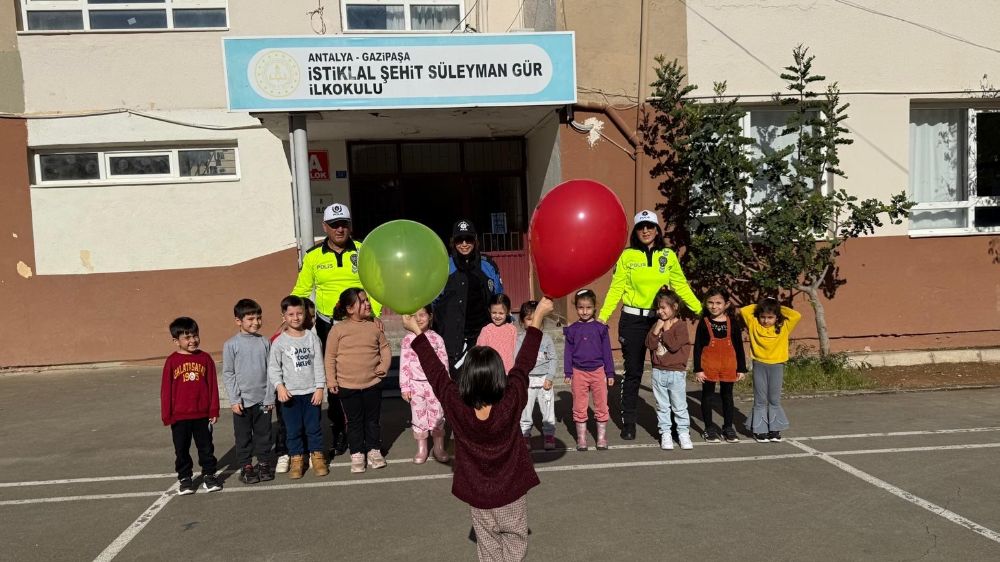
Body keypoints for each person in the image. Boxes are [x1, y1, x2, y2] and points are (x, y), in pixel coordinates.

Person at [402, 297, 554, 561]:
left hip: (478, 495)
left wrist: (417, 333)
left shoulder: (456, 406)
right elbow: (524, 363)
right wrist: (538, 317)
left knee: (487, 546)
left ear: (466, 378)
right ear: (499, 377)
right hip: (512, 491)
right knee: (515, 542)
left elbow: (437, 374)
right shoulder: (511, 401)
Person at [599, 209, 703, 441]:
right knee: (634, 371)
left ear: (657, 230)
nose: (645, 230)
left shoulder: (667, 255)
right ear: (635, 231)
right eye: (641, 227)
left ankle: (671, 423)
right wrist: (603, 316)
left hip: (660, 320)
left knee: (665, 370)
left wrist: (699, 309)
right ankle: (629, 421)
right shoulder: (626, 256)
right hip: (632, 321)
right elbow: (616, 288)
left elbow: (680, 285)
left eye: (650, 226)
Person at [291, 203, 381, 459]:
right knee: (333, 379)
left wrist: (372, 315)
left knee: (365, 377)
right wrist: (290, 316)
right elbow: (300, 290)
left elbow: (375, 286)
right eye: (334, 224)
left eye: (344, 224)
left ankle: (369, 433)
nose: (340, 229)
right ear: (325, 227)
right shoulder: (313, 256)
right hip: (326, 325)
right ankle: (340, 430)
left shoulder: (364, 251)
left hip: (360, 325)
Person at [325, 288, 392, 474]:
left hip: (372, 383)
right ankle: (357, 453)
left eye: (367, 300)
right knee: (354, 421)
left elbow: (385, 349)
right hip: (347, 386)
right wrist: (331, 380)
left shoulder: (374, 326)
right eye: (362, 301)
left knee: (372, 420)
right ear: (349, 308)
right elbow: (330, 356)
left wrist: (384, 367)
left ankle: (373, 450)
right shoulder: (338, 330)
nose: (368, 304)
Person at [268, 295, 328, 480]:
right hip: (290, 396)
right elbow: (273, 367)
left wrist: (320, 388)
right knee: (293, 430)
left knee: (313, 427)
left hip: (311, 393)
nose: (296, 318)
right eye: (291, 314)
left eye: (299, 313)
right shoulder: (279, 342)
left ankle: (317, 456)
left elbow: (319, 364)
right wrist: (280, 387)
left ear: (305, 315)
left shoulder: (312, 338)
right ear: (283, 317)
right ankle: (296, 458)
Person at [160, 317, 221, 495]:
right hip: (179, 416)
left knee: (206, 448)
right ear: (176, 341)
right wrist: (167, 415)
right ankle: (185, 478)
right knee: (181, 449)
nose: (192, 340)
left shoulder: (205, 358)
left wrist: (213, 409)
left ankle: (209, 475)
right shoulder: (172, 361)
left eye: (195, 336)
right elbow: (166, 390)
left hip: (202, 415)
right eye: (187, 337)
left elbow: (212, 387)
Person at [434, 219, 504, 371]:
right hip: (453, 339)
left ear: (475, 240)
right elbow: (433, 302)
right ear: (453, 242)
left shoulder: (488, 265)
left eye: (468, 239)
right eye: (460, 239)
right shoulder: (443, 267)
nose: (464, 243)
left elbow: (499, 299)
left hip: (484, 336)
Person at [222, 299, 274, 484]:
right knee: (243, 437)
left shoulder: (265, 342)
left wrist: (269, 396)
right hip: (242, 403)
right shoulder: (231, 345)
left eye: (259, 318)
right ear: (238, 321)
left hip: (263, 401)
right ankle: (246, 467)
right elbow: (228, 373)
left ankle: (264, 463)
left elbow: (272, 371)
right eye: (251, 318)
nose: (256, 322)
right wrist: (235, 400)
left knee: (264, 434)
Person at [740, 297, 802, 443]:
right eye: (763, 317)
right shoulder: (754, 324)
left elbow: (796, 315)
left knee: (774, 399)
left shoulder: (784, 326)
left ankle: (774, 429)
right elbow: (744, 310)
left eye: (770, 317)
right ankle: (760, 431)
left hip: (777, 365)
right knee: (760, 399)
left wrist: (776, 305)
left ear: (777, 317)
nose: (766, 321)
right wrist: (764, 303)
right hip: (760, 365)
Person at [693, 288, 747, 444]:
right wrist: (698, 369)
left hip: (729, 365)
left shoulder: (733, 323)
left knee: (727, 396)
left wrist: (741, 368)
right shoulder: (704, 323)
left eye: (718, 303)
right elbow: (697, 347)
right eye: (710, 302)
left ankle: (728, 427)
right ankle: (709, 428)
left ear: (726, 304)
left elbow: (738, 347)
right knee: (708, 396)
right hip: (708, 365)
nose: (714, 306)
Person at [399, 304, 451, 464]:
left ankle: (438, 447)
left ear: (430, 316)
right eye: (415, 315)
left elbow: (444, 362)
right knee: (419, 416)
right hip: (415, 385)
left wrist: (445, 384)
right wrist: (405, 386)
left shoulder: (437, 339)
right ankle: (422, 448)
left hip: (435, 385)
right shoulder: (408, 339)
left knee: (438, 415)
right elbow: (404, 364)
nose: (419, 318)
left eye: (422, 315)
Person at [564, 289, 616, 451]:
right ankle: (581, 438)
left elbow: (607, 351)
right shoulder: (572, 329)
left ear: (595, 308)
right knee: (579, 405)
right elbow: (568, 352)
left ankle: (601, 438)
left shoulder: (600, 328)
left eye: (588, 308)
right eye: (580, 307)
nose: (584, 311)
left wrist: (610, 372)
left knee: (601, 404)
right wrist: (568, 372)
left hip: (598, 371)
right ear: (576, 308)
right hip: (578, 372)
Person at [645, 289, 693, 451]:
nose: (660, 311)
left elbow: (673, 346)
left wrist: (665, 330)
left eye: (664, 308)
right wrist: (656, 329)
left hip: (676, 373)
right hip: (658, 372)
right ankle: (665, 433)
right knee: (662, 406)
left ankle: (683, 433)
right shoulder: (656, 324)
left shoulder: (681, 326)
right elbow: (650, 345)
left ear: (675, 307)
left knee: (679, 405)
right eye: (658, 308)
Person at [516, 300, 557, 451]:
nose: (533, 322)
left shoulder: (546, 339)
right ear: (522, 321)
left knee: (548, 410)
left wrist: (550, 377)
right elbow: (517, 360)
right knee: (525, 410)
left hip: (544, 379)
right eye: (529, 319)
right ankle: (525, 434)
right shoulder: (520, 339)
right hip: (527, 381)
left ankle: (549, 434)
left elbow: (553, 358)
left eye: (536, 318)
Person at [475, 293, 516, 372]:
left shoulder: (512, 329)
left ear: (508, 312)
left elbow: (516, 350)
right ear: (489, 310)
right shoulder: (486, 330)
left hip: (508, 371)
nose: (497, 316)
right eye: (494, 313)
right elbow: (479, 351)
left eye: (501, 313)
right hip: (490, 372)